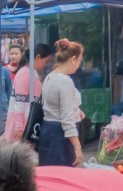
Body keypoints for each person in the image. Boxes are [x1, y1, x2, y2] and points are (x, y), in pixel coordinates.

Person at [37, 39, 87, 167]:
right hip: (60, 137)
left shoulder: (50, 77)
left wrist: (76, 111)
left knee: (49, 175)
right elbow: (66, 119)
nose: (79, 65)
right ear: (73, 59)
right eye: (79, 61)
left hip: (48, 131)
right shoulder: (65, 81)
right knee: (61, 178)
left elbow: (53, 105)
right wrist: (77, 147)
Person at [4, 40, 47, 143]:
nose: (46, 65)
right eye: (46, 61)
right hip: (23, 124)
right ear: (37, 58)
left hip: (28, 121)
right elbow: (19, 102)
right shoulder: (25, 73)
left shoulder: (33, 73)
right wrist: (19, 127)